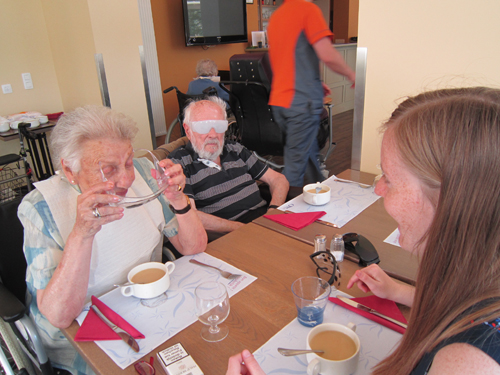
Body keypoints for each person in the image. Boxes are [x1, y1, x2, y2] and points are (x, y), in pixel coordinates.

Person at [226, 87, 500, 375]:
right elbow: (455, 303)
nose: (378, 188)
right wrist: (399, 291)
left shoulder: (472, 361)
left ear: (447, 199)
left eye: (389, 179)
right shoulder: (477, 283)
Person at [18, 105, 207, 374]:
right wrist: (81, 232)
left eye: (128, 161)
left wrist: (177, 198)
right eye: (108, 169)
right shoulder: (40, 208)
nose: (128, 177)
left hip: (143, 307)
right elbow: (59, 316)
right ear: (70, 170)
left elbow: (194, 247)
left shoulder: (144, 174)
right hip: (79, 335)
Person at [168, 97, 289, 238]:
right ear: (188, 130)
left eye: (219, 126)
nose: (213, 134)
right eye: (203, 127)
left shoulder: (234, 149)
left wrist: (273, 212)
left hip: (265, 223)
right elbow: (190, 215)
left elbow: (279, 179)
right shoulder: (179, 163)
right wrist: (244, 228)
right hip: (231, 236)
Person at [266, 0, 356, 187]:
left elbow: (287, 59)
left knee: (307, 154)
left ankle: (320, 190)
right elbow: (327, 54)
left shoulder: (277, 16)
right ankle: (283, 210)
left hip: (281, 101)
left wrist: (315, 82)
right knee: (295, 166)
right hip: (300, 101)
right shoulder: (307, 10)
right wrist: (351, 74)